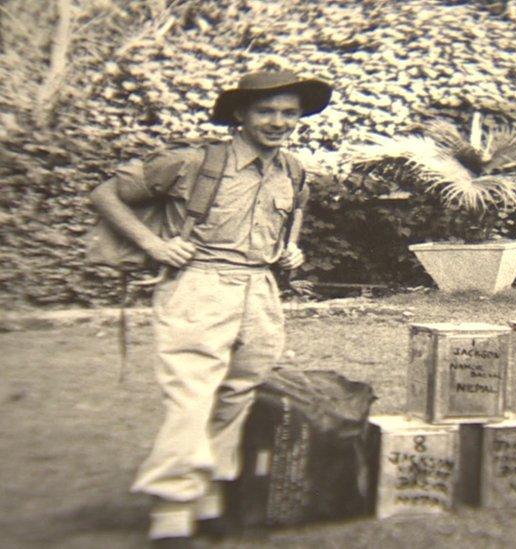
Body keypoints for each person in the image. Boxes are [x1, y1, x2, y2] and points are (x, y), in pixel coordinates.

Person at [90, 70, 332, 546]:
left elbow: (289, 219)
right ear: (240, 115)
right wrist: (153, 245)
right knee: (191, 396)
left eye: (289, 113)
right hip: (198, 286)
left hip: (260, 290)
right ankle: (172, 510)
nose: (279, 122)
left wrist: (291, 250)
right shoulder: (191, 161)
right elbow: (104, 195)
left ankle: (209, 499)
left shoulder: (293, 170)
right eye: (266, 111)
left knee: (239, 391)